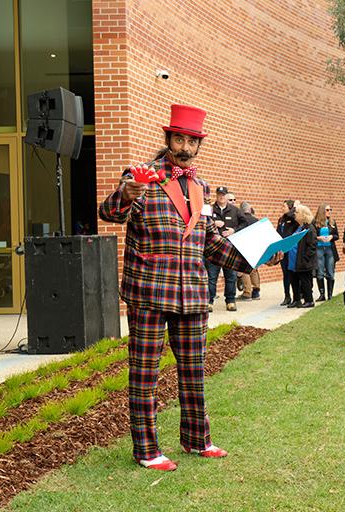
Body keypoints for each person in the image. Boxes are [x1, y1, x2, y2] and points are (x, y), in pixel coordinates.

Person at [98, 104, 274, 470]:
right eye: (179, 138)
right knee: (144, 374)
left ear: (198, 146)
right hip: (148, 292)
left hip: (192, 292)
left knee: (194, 371)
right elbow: (109, 213)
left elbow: (210, 241)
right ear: (168, 139)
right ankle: (147, 450)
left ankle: (197, 440)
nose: (185, 146)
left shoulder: (200, 186)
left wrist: (255, 258)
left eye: (192, 141)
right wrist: (128, 193)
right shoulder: (140, 175)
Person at [207, 186, 246, 311]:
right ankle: (209, 302)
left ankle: (230, 301)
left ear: (226, 195)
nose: (221, 197)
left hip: (230, 248)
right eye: (219, 194)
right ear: (216, 195)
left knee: (231, 276)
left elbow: (245, 223)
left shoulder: (235, 210)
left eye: (223, 194)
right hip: (214, 248)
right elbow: (201, 222)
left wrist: (234, 230)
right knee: (211, 276)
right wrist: (213, 223)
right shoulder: (209, 209)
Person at [286, 204, 317, 309]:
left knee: (305, 282)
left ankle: (309, 300)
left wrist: (305, 259)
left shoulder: (309, 228)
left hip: (302, 261)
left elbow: (312, 246)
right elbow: (288, 215)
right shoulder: (297, 226)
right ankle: (296, 300)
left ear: (303, 215)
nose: (294, 214)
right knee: (293, 281)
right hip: (293, 260)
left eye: (297, 212)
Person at [313, 204, 339, 302]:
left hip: (330, 249)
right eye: (327, 210)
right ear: (322, 211)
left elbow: (337, 235)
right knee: (319, 272)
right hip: (319, 249)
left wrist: (331, 237)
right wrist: (319, 238)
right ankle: (322, 294)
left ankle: (330, 295)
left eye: (330, 209)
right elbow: (312, 236)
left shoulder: (332, 222)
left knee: (330, 272)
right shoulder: (315, 222)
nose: (329, 211)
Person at [236, 201, 262, 301]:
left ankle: (247, 293)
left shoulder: (241, 220)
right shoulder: (256, 220)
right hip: (255, 247)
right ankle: (256, 291)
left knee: (244, 269)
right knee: (254, 269)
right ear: (250, 209)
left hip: (243, 247)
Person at [277, 199, 299, 306]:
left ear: (290, 208)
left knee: (293, 274)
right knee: (285, 274)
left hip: (292, 251)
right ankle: (287, 296)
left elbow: (293, 216)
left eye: (284, 206)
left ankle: (297, 296)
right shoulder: (281, 219)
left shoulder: (293, 218)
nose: (282, 208)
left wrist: (294, 207)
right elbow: (277, 233)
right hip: (283, 251)